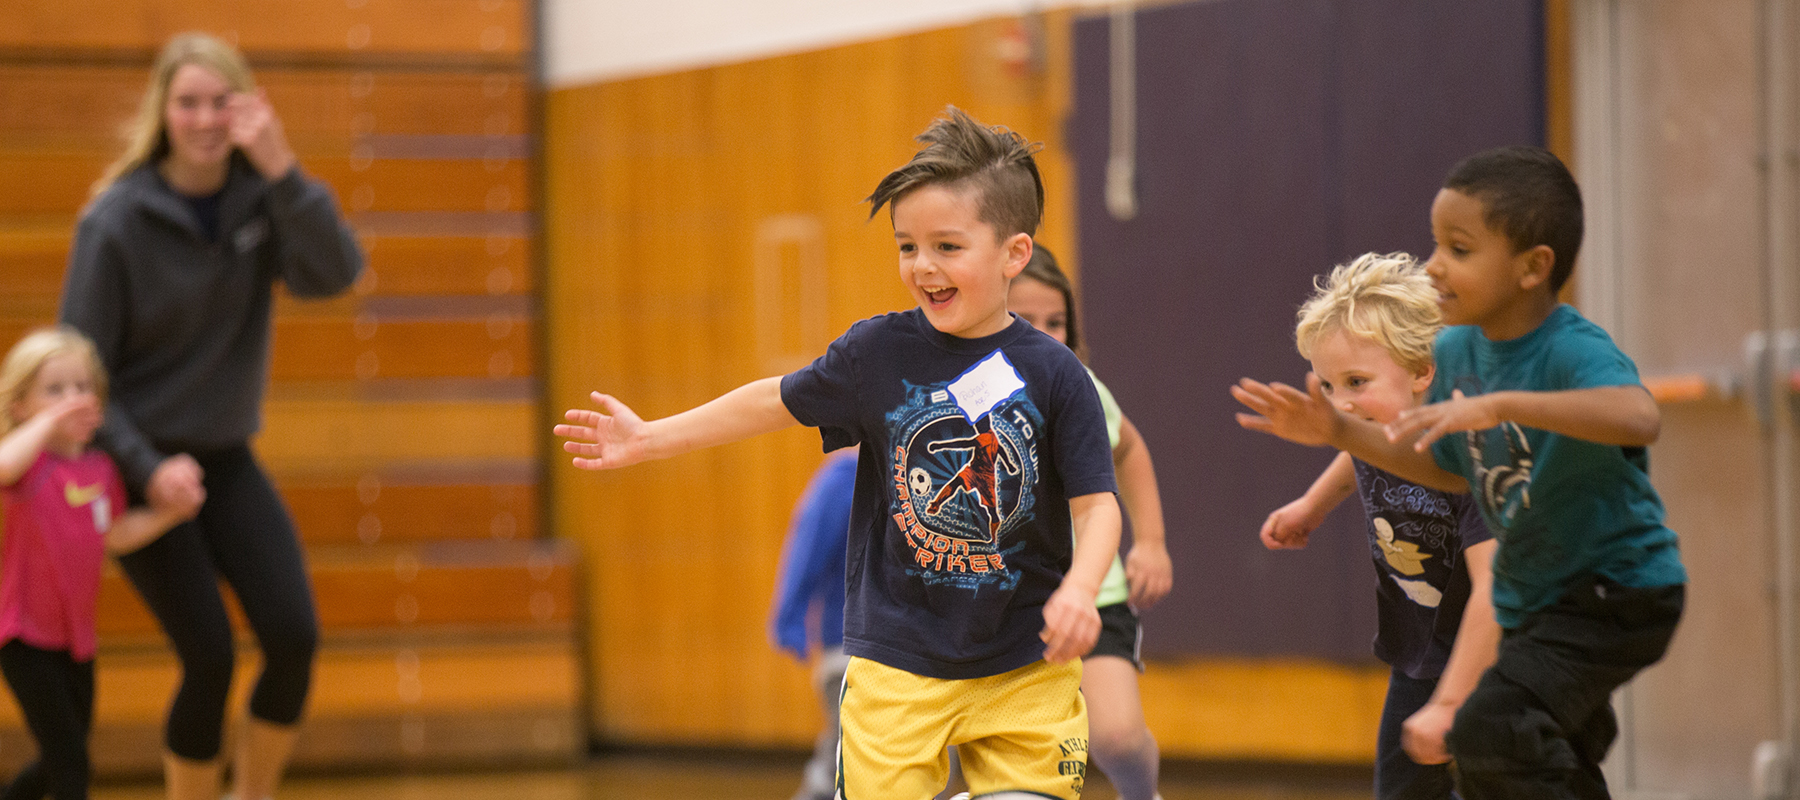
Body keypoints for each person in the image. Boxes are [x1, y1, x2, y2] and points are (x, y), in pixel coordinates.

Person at [557, 106, 1120, 800]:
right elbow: (772, 400)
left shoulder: (1059, 376)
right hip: (898, 663)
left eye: (947, 246)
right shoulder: (876, 355)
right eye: (907, 246)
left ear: (1014, 253)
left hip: (1024, 667)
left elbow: (1098, 506)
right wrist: (650, 437)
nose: (923, 267)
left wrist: (1079, 588)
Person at [1232, 146, 1686, 800]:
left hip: (1571, 609)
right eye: (1437, 245)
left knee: (1491, 737)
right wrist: (1321, 478)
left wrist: (1449, 700)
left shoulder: (1545, 367)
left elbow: (1637, 419)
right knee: (1451, 769)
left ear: (1532, 267)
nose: (1438, 265)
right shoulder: (1444, 368)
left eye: (1462, 249)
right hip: (1439, 641)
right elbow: (1393, 459)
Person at [58, 32, 364, 800]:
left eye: (219, 102)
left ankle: (250, 795)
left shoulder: (261, 200)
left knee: (294, 638)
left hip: (224, 461)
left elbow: (334, 275)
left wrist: (283, 170)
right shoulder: (115, 223)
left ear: (247, 109)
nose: (203, 118)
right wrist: (146, 468)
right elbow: (78, 376)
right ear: (163, 112)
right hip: (139, 466)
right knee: (209, 656)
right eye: (187, 102)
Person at [1255, 252, 1500, 800]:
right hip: (1416, 652)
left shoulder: (1468, 455)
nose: (1340, 405)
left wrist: (1451, 702)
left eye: (1357, 381)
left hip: (1487, 661)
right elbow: (1355, 454)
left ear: (1421, 371)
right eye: (1327, 386)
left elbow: (1494, 590)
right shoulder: (1376, 424)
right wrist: (1312, 505)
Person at [0, 327, 199, 800]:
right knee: (72, 767)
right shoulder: (25, 468)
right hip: (22, 638)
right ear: (21, 406)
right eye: (54, 389)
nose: (72, 399)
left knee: (62, 759)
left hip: (76, 642)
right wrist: (48, 425)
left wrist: (168, 514)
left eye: (82, 387)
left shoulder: (100, 470)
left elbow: (113, 534)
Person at [1004, 245, 1169, 800]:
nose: (1044, 336)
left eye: (1056, 323)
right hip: (999, 603)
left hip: (1093, 595)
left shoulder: (1080, 389)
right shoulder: (962, 394)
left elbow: (1130, 449)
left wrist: (1151, 541)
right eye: (1025, 321)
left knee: (1118, 737)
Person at [769, 449, 856, 800]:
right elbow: (807, 547)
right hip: (849, 652)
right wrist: (789, 618)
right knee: (841, 767)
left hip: (919, 654)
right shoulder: (843, 479)